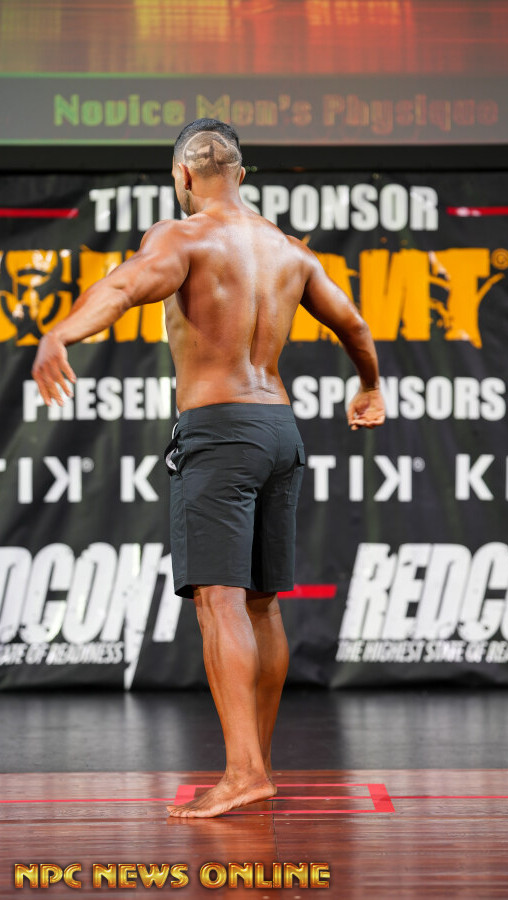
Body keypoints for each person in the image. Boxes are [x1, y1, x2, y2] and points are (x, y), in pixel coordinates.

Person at [32, 118, 385, 818]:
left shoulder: (182, 238)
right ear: (242, 175)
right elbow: (354, 325)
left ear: (183, 175)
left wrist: (59, 333)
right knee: (261, 603)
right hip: (279, 431)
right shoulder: (288, 249)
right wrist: (370, 386)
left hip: (221, 433)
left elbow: (124, 286)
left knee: (219, 601)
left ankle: (244, 772)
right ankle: (257, 764)